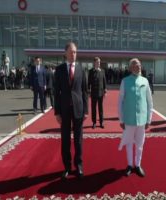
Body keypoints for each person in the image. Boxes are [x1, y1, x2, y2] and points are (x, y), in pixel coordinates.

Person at [54, 42, 88, 180]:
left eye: (75, 52)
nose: (73, 54)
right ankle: (67, 167)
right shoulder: (60, 69)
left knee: (78, 140)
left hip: (79, 109)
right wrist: (57, 112)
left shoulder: (81, 69)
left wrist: (86, 110)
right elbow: (56, 92)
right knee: (66, 140)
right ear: (65, 53)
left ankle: (78, 165)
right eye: (71, 52)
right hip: (64, 111)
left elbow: (85, 91)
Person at [118, 58, 153, 177]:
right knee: (128, 143)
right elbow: (120, 102)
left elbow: (150, 102)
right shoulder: (125, 81)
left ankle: (137, 165)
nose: (136, 67)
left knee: (139, 144)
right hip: (128, 119)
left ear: (141, 66)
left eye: (138, 65)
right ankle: (129, 164)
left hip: (142, 120)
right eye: (134, 65)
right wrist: (121, 119)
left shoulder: (145, 81)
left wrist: (149, 119)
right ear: (130, 68)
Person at [88, 57, 107, 129]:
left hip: (100, 93)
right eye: (97, 62)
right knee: (93, 108)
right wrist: (88, 91)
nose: (99, 63)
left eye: (99, 62)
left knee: (100, 108)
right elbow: (89, 82)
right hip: (93, 93)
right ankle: (94, 122)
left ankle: (101, 122)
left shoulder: (102, 71)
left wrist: (105, 90)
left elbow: (104, 81)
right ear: (94, 63)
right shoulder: (91, 71)